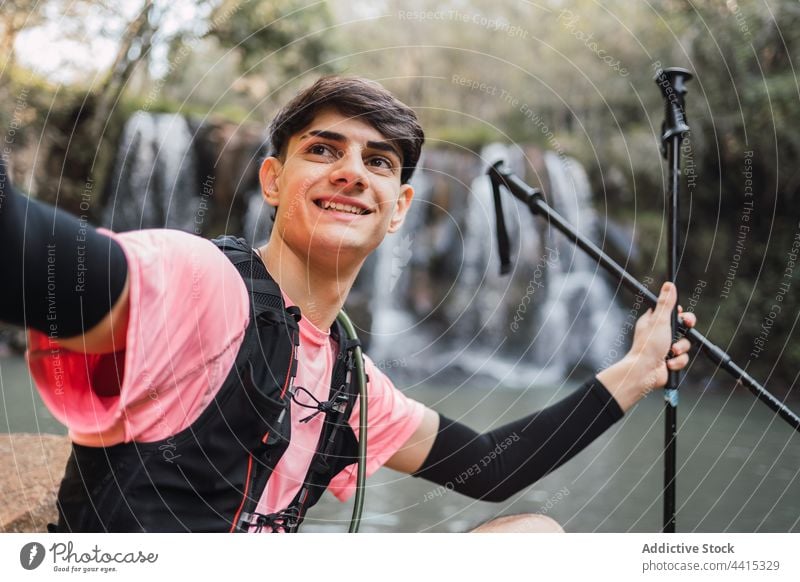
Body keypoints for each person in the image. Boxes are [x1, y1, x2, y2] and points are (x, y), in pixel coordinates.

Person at [0, 76, 695, 533]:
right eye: (324, 149)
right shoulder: (198, 281)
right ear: (271, 180)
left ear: (400, 211)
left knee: (532, 538)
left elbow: (492, 466)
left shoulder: (349, 381)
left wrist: (637, 369)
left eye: (379, 161)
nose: (351, 173)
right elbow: (21, 246)